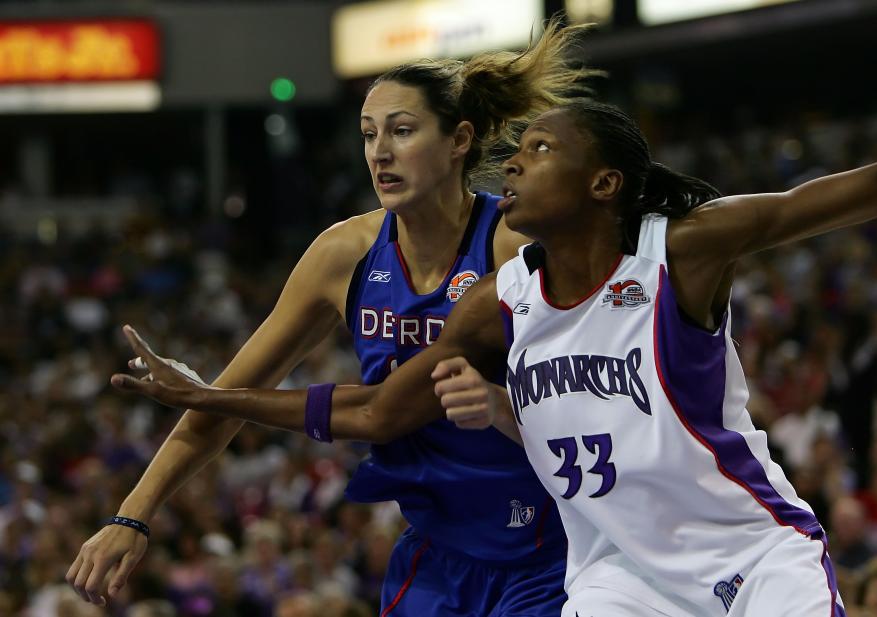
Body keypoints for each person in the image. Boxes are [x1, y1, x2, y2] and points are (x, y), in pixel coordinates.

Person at [98, 104, 877, 615]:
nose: (516, 161)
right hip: (619, 579)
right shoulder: (502, 301)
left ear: (604, 182)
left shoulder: (680, 250)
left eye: (541, 149)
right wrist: (215, 398)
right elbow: (376, 411)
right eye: (515, 151)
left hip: (752, 555)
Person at [66, 19, 602, 616]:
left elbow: (592, 387)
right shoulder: (342, 255)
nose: (380, 152)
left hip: (555, 548)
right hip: (437, 554)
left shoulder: (511, 245)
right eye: (369, 134)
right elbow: (216, 403)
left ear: (459, 141)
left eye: (402, 131)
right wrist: (132, 514)